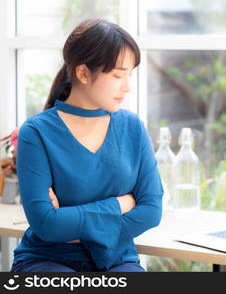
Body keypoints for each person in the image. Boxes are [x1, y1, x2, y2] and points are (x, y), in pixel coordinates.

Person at [10, 18, 164, 272]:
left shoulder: (132, 127)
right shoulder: (36, 132)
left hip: (118, 260)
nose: (127, 87)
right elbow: (46, 224)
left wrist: (72, 224)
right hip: (47, 260)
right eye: (117, 75)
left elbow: (151, 211)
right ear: (83, 73)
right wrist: (119, 205)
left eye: (130, 75)